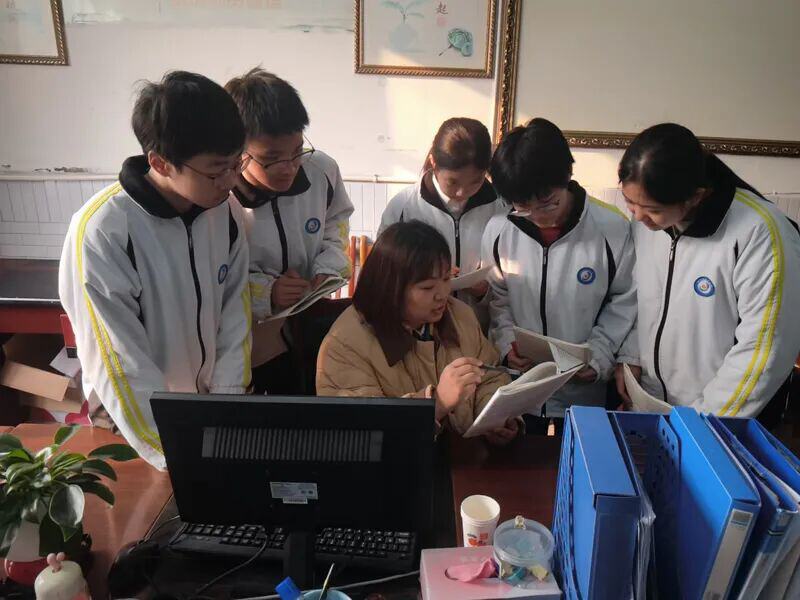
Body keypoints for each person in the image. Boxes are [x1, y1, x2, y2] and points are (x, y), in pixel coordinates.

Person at [59, 71, 252, 469]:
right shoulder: (104, 231)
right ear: (161, 163)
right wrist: (174, 454)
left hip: (203, 407)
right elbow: (119, 365)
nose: (232, 181)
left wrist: (226, 403)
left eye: (237, 163)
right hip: (132, 423)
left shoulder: (224, 212)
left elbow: (235, 310)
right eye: (217, 170)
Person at [616, 123, 800, 424]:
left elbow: (764, 350)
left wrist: (699, 425)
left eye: (652, 209)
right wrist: (632, 356)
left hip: (721, 419)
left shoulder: (761, 233)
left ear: (695, 197)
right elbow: (646, 299)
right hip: (654, 407)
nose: (638, 217)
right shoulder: (651, 224)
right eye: (630, 202)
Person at [483, 118, 637, 431]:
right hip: (521, 391)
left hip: (585, 394)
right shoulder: (499, 231)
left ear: (567, 175)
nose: (537, 216)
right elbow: (498, 298)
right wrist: (507, 345)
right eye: (523, 207)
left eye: (547, 204)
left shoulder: (612, 228)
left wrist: (598, 357)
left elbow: (624, 302)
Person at [317, 221, 521, 443]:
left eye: (446, 279)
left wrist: (494, 417)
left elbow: (491, 375)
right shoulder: (345, 343)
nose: (442, 294)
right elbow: (361, 432)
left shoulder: (459, 315)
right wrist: (437, 403)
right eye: (427, 287)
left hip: (465, 459)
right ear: (391, 286)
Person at [225, 68, 354, 394]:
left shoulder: (322, 170)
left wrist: (327, 267)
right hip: (254, 338)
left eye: (297, 151)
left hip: (310, 319)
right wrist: (266, 293)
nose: (289, 167)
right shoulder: (221, 197)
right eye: (271, 158)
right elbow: (217, 276)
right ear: (238, 151)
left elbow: (337, 223)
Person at [378, 118, 506, 328]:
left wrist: (484, 291)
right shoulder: (404, 207)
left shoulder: (499, 207)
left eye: (476, 181)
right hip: (416, 330)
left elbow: (510, 287)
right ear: (433, 163)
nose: (462, 192)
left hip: (475, 330)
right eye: (453, 182)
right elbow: (384, 273)